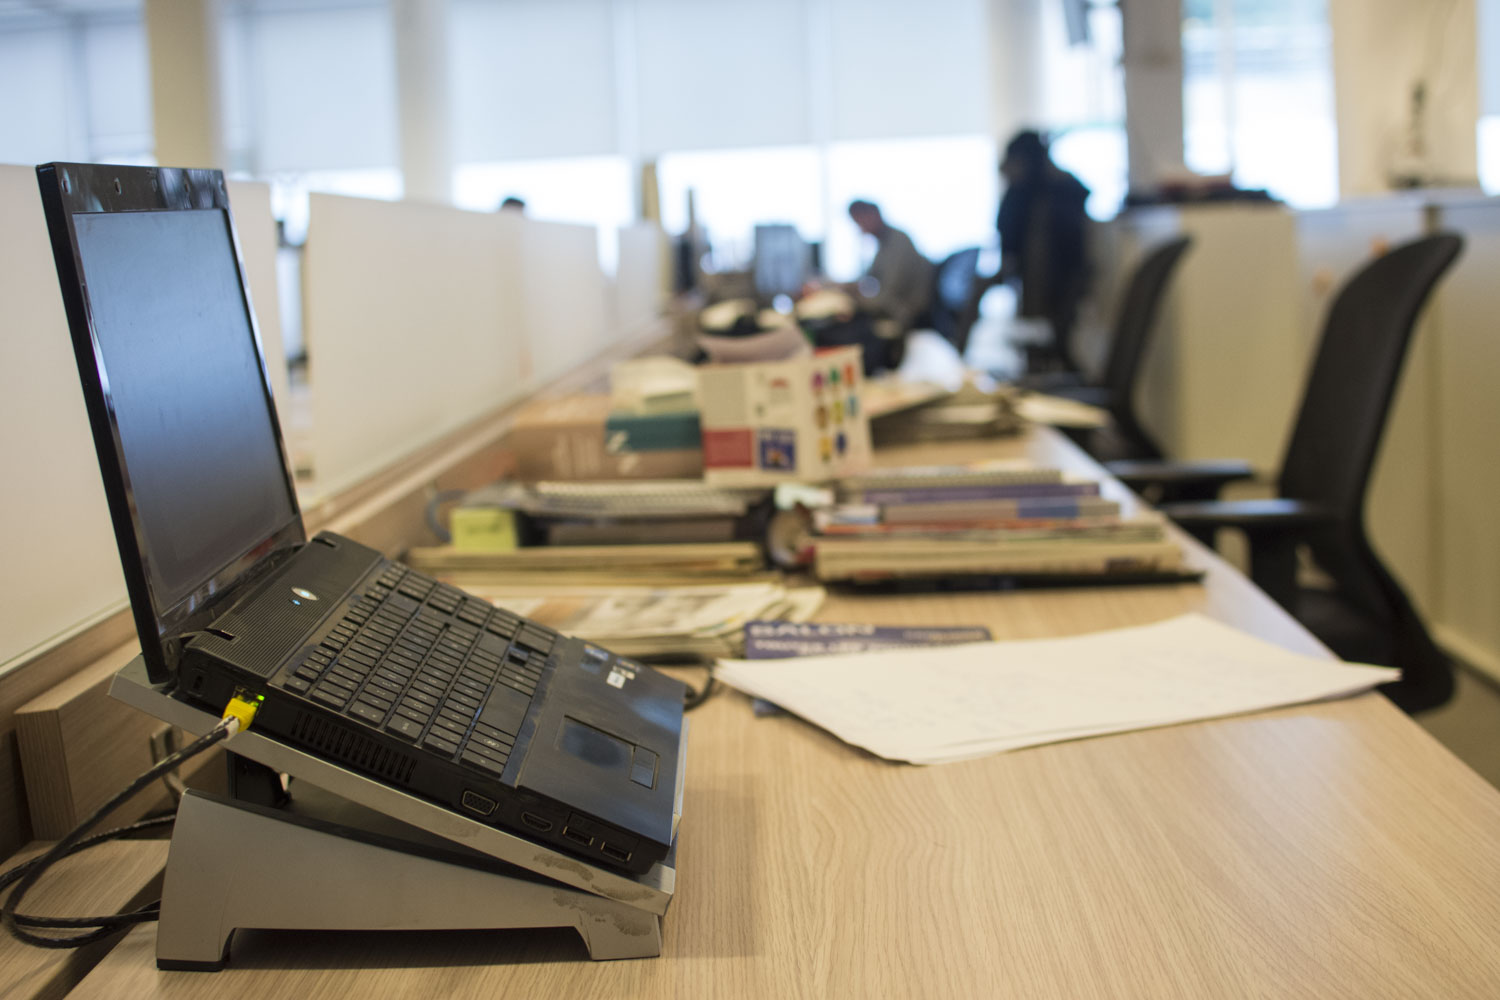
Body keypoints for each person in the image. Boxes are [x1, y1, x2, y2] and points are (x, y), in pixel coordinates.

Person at [995, 130, 1091, 370]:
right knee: (1041, 345)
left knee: (1052, 344)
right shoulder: (1025, 194)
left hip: (1056, 289)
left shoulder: (1055, 194)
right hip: (1039, 288)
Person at [845, 200, 935, 347]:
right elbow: (869, 278)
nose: (859, 227)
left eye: (860, 220)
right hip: (894, 305)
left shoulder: (898, 241)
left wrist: (857, 300)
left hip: (906, 312)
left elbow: (890, 292)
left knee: (852, 326)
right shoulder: (883, 244)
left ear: (874, 215)